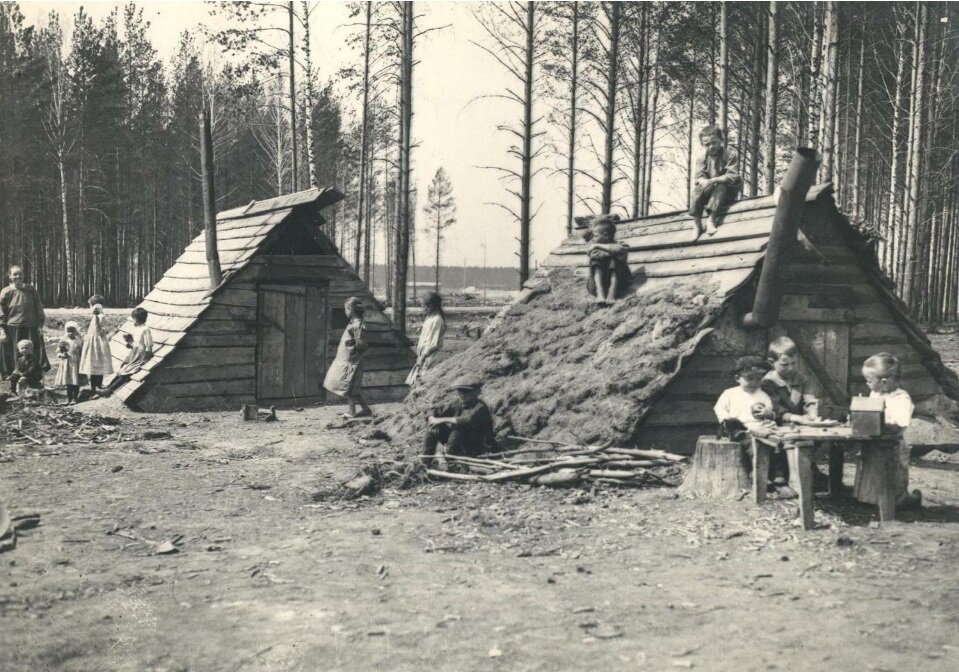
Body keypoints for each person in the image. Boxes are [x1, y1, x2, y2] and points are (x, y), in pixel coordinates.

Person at [853, 353, 922, 509]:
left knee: (894, 475)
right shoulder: (875, 393)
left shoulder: (901, 398)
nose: (867, 383)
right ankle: (871, 500)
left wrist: (879, 422)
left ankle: (903, 501)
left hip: (893, 444)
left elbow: (899, 423)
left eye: (869, 380)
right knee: (871, 470)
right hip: (875, 441)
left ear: (884, 382)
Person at [761, 336, 822, 490]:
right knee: (779, 439)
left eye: (794, 363)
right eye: (784, 365)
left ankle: (807, 467)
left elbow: (809, 399)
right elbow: (775, 408)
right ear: (771, 362)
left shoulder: (802, 379)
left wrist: (812, 412)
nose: (790, 368)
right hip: (777, 420)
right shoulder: (768, 382)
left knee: (816, 436)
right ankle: (779, 473)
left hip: (799, 422)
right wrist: (795, 417)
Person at [423, 374, 497, 465]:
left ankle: (451, 457)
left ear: (476, 392)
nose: (462, 395)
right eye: (459, 392)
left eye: (465, 392)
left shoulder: (480, 407)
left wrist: (441, 420)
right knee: (433, 427)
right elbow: (435, 410)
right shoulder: (458, 404)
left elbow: (466, 419)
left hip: (476, 445)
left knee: (460, 426)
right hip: (459, 442)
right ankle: (425, 462)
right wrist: (432, 418)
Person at [323, 297, 373, 418]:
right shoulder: (353, 323)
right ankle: (366, 409)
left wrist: (358, 344)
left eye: (346, 309)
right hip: (348, 360)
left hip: (353, 361)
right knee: (352, 388)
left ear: (350, 309)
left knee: (350, 387)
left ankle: (352, 412)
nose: (345, 312)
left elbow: (360, 344)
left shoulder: (357, 325)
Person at [690, 125, 742, 239]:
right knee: (696, 191)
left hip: (727, 191)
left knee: (721, 186)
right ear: (702, 144)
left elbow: (732, 176)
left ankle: (711, 220)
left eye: (714, 142)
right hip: (710, 190)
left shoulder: (729, 154)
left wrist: (712, 180)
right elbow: (699, 177)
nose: (711, 146)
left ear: (721, 141)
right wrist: (703, 181)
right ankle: (697, 224)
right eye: (707, 144)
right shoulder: (701, 159)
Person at [0, 265, 49, 380]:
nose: (18, 276)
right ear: (10, 277)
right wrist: (1, 329)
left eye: (20, 274)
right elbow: (1, 310)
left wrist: (40, 326)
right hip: (12, 327)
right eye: (15, 274)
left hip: (30, 326)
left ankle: (33, 376)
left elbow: (38, 308)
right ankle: (12, 376)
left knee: (32, 352)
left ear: (24, 276)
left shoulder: (31, 290)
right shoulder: (6, 291)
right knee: (13, 352)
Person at [713, 355, 775, 441]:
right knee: (733, 427)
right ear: (737, 378)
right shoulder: (730, 393)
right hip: (737, 428)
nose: (754, 383)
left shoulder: (763, 395)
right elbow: (719, 408)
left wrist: (767, 413)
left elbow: (769, 410)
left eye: (758, 379)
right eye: (750, 379)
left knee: (771, 433)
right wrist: (727, 420)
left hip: (758, 428)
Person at [101, 307, 153, 396]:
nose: (133, 322)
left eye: (133, 320)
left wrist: (146, 357)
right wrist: (130, 343)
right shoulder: (138, 329)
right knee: (123, 369)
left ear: (136, 320)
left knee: (128, 371)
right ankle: (108, 387)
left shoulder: (145, 329)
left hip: (140, 355)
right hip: (135, 353)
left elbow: (149, 344)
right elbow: (136, 343)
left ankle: (110, 391)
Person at [585, 214, 631, 304]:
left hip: (619, 286)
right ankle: (600, 292)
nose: (593, 239)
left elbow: (621, 249)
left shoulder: (619, 244)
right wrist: (612, 252)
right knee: (596, 260)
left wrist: (598, 246)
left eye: (595, 236)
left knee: (614, 260)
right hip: (595, 286)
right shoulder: (594, 248)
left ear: (605, 235)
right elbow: (594, 256)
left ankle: (611, 293)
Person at [408, 292, 447, 385]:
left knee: (426, 382)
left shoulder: (437, 320)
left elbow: (434, 344)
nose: (422, 309)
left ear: (431, 306)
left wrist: (422, 357)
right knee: (416, 381)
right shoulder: (429, 318)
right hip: (424, 356)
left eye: (423, 306)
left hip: (431, 357)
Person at [79, 294, 113, 395]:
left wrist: (97, 318)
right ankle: (94, 386)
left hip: (97, 344)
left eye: (91, 305)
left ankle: (97, 385)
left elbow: (100, 330)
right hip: (93, 342)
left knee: (98, 363)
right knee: (93, 363)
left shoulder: (100, 317)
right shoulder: (95, 317)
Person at [54, 321, 84, 404]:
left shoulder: (79, 340)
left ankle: (75, 398)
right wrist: (62, 355)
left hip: (76, 362)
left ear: (76, 332)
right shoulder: (63, 341)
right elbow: (58, 351)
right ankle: (69, 398)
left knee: (76, 381)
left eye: (72, 331)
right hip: (67, 362)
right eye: (68, 331)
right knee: (69, 381)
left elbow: (82, 351)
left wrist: (82, 360)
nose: (70, 333)